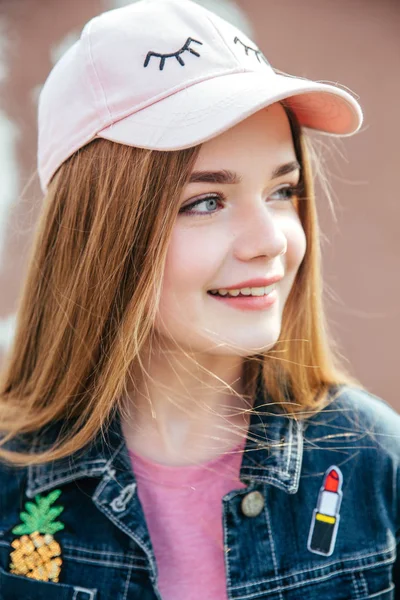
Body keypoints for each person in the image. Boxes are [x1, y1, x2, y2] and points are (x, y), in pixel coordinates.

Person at [0, 0, 398, 598]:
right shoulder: (12, 480)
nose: (270, 242)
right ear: (98, 234)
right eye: (205, 202)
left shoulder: (376, 465)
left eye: (282, 190)